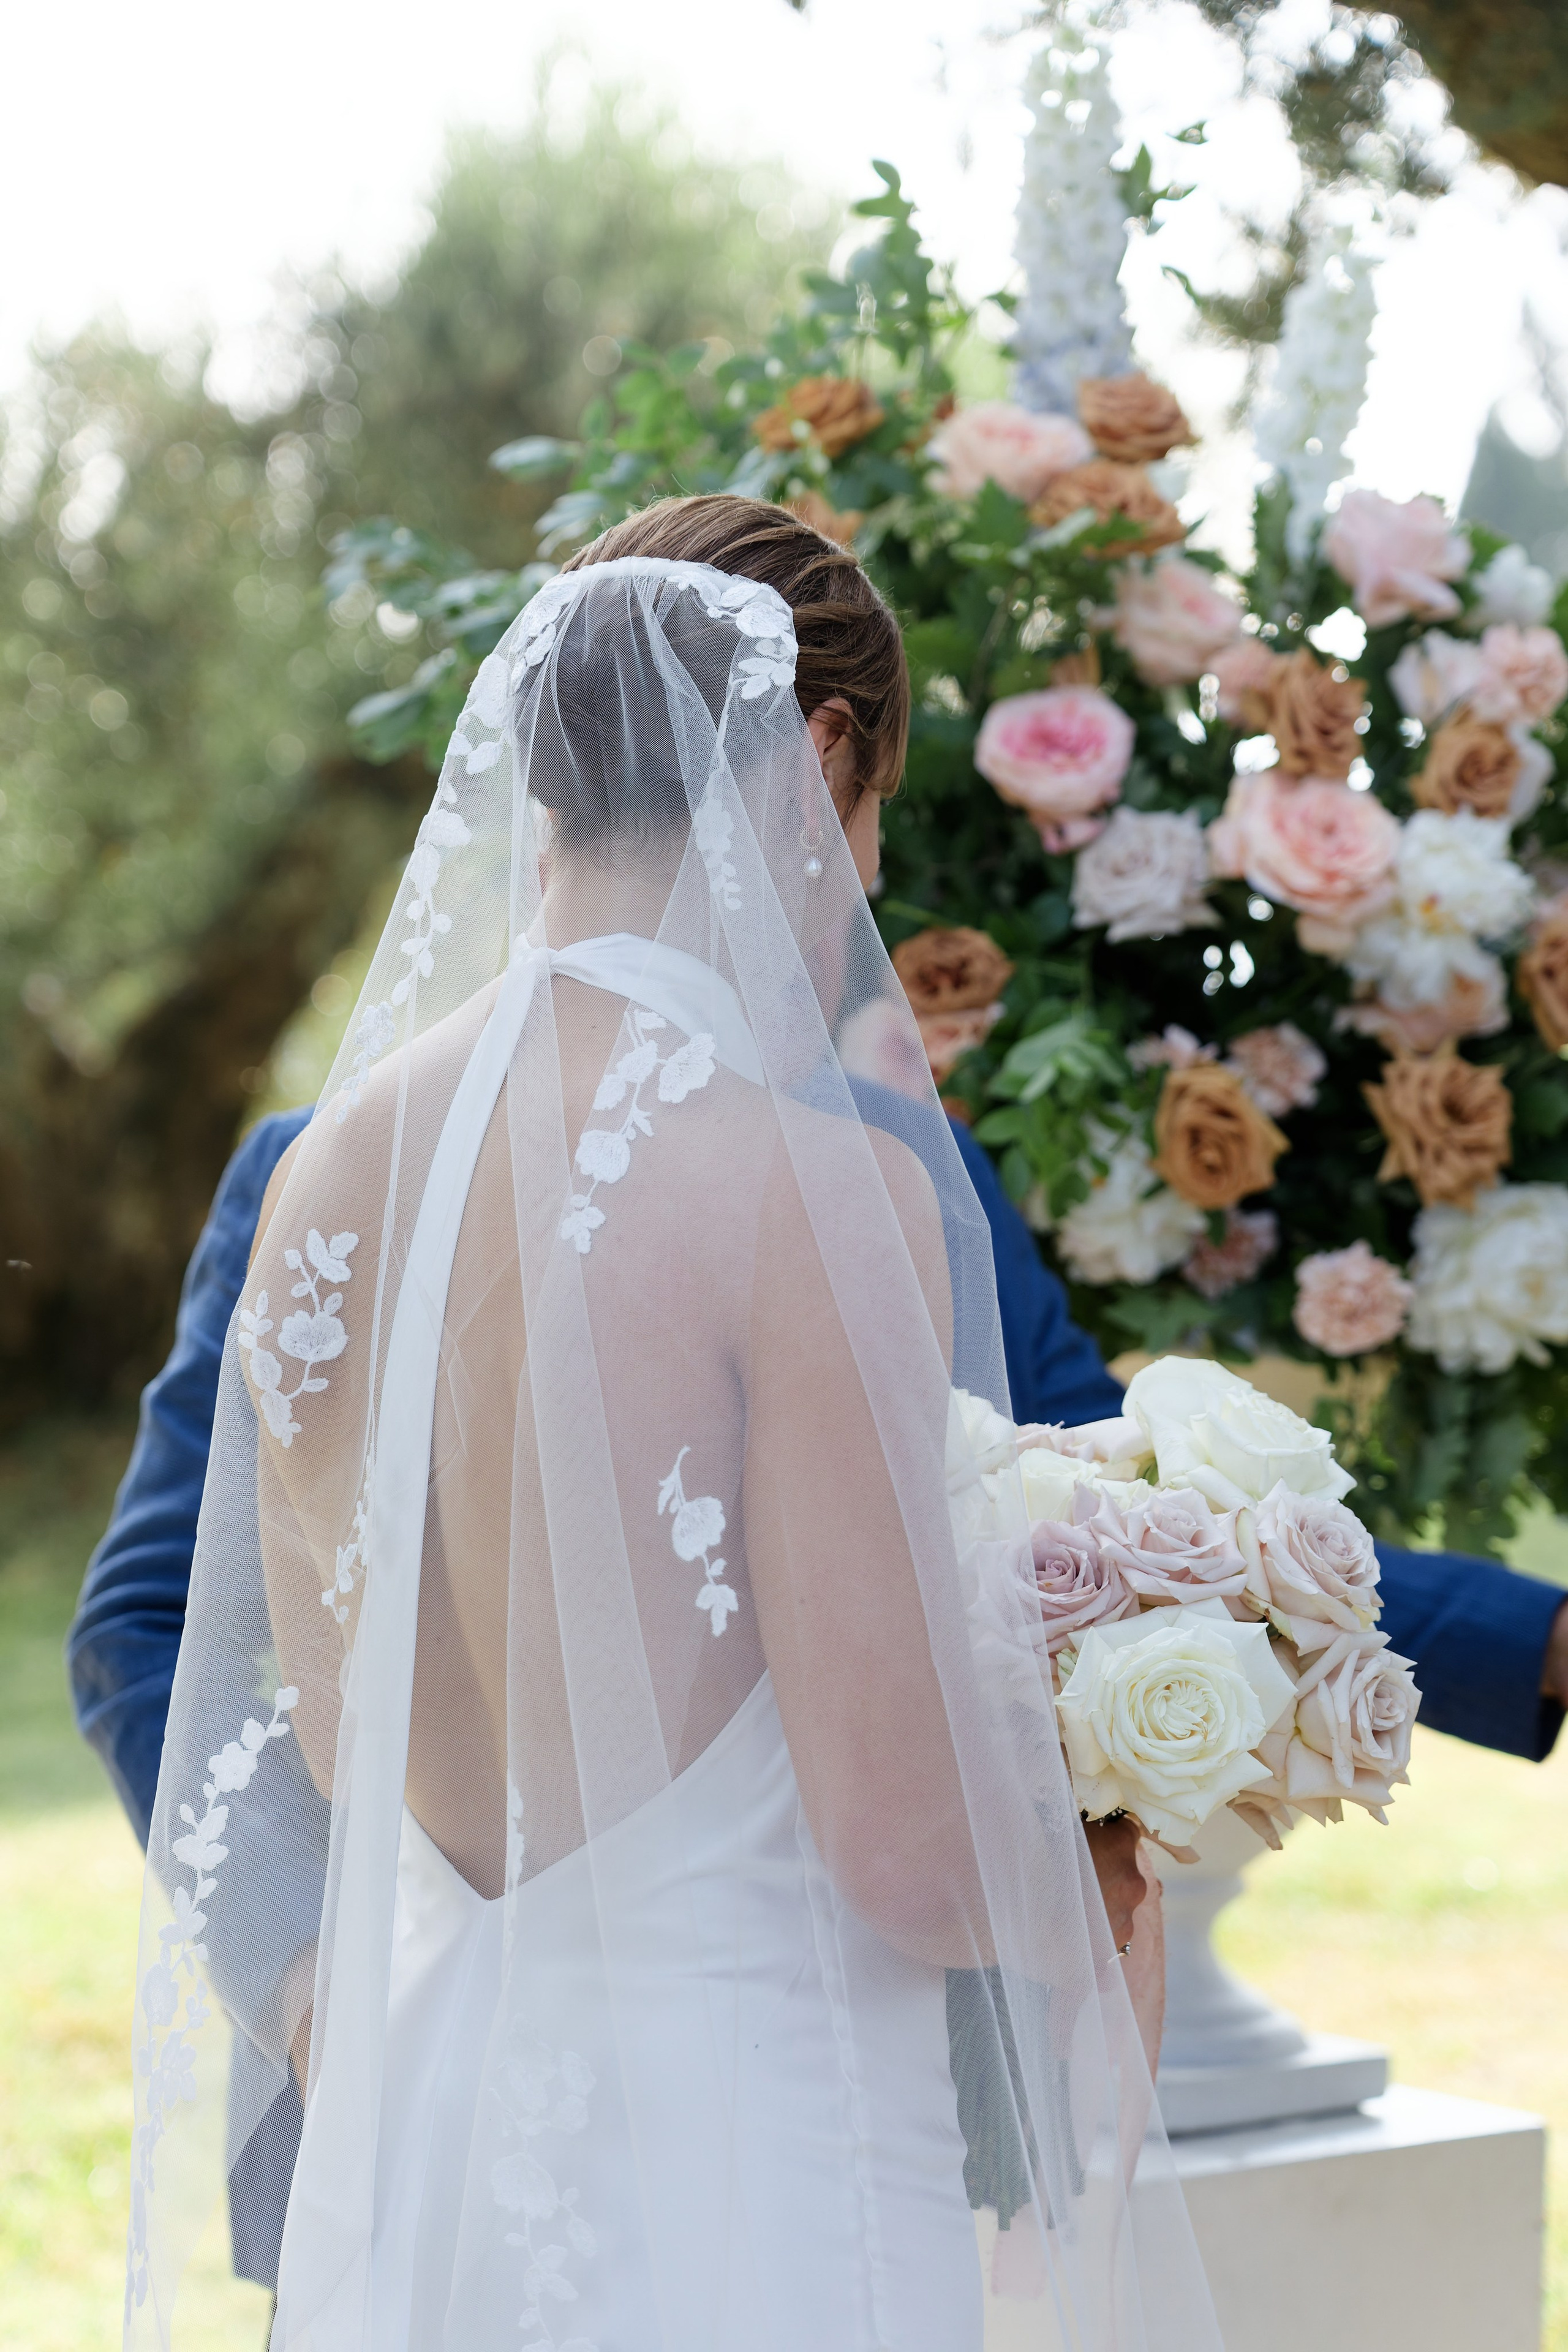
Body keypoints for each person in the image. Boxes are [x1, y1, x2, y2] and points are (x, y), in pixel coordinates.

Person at [72, 530, 1568, 2329]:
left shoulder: (329, 1178)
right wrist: (1091, 1847)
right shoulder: (806, 1186)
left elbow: (307, 1705)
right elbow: (909, 1858)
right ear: (817, 759)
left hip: (440, 2144)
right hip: (745, 2160)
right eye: (876, 818)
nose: (866, 876)